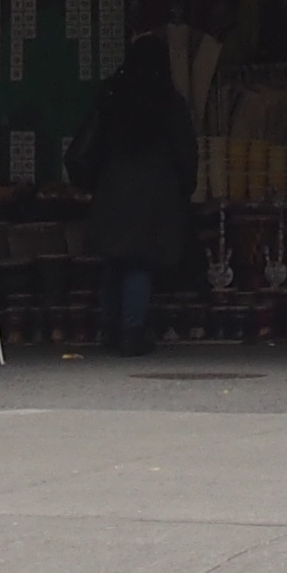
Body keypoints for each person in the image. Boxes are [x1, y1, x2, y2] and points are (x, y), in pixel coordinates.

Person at [68, 37, 198, 357]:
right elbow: (185, 153)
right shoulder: (169, 101)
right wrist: (186, 186)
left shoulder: (112, 94)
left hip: (113, 188)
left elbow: (90, 141)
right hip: (156, 193)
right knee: (140, 262)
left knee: (115, 261)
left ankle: (109, 327)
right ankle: (132, 330)